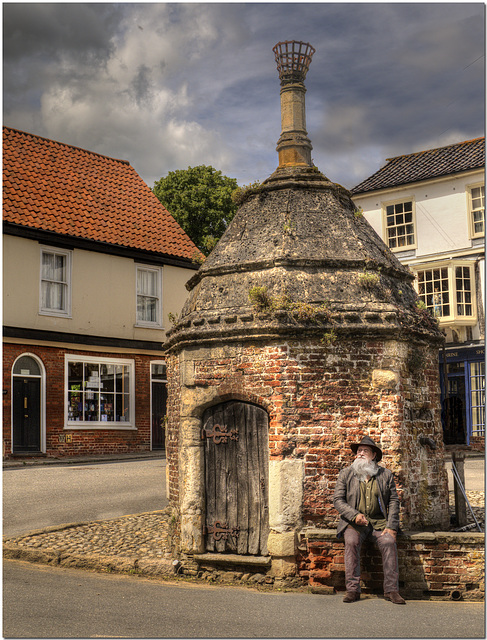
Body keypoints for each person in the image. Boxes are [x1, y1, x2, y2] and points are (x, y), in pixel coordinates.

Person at [333, 436, 406, 604]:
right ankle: (352, 589)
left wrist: (392, 526)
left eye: (365, 451)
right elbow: (338, 500)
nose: (360, 454)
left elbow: (394, 501)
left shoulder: (385, 475)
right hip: (354, 524)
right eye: (358, 451)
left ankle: (391, 590)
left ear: (374, 455)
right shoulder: (346, 474)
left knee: (388, 542)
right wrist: (354, 515)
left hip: (380, 523)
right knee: (351, 541)